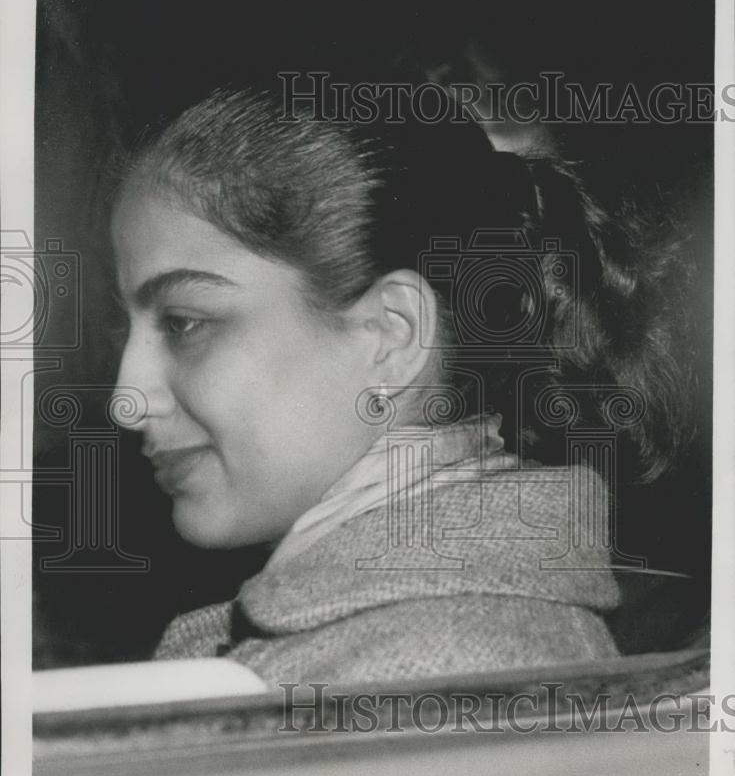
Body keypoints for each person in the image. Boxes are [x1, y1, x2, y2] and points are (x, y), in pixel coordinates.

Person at [110, 87, 694, 684]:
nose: (126, 400)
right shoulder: (412, 640)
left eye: (184, 324)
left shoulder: (441, 667)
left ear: (392, 336)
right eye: (122, 332)